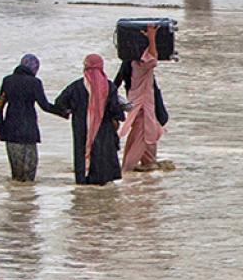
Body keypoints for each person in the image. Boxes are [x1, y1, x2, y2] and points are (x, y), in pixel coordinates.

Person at [54, 54, 126, 185]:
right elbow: (115, 108)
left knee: (82, 152)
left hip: (81, 127)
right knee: (102, 153)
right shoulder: (109, 87)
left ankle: (83, 180)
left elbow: (59, 103)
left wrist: (70, 111)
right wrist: (119, 117)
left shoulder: (76, 86)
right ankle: (100, 183)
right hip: (104, 128)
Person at [0, 53, 65, 182]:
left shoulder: (8, 80)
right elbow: (45, 106)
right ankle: (28, 200)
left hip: (11, 130)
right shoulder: (35, 82)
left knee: (16, 175)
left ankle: (15, 200)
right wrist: (63, 112)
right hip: (29, 130)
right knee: (29, 176)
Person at [118, 24, 166, 172]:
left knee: (141, 135)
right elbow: (152, 59)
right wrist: (151, 37)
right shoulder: (142, 66)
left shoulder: (130, 64)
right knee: (143, 136)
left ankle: (148, 164)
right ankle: (127, 170)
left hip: (137, 104)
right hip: (143, 106)